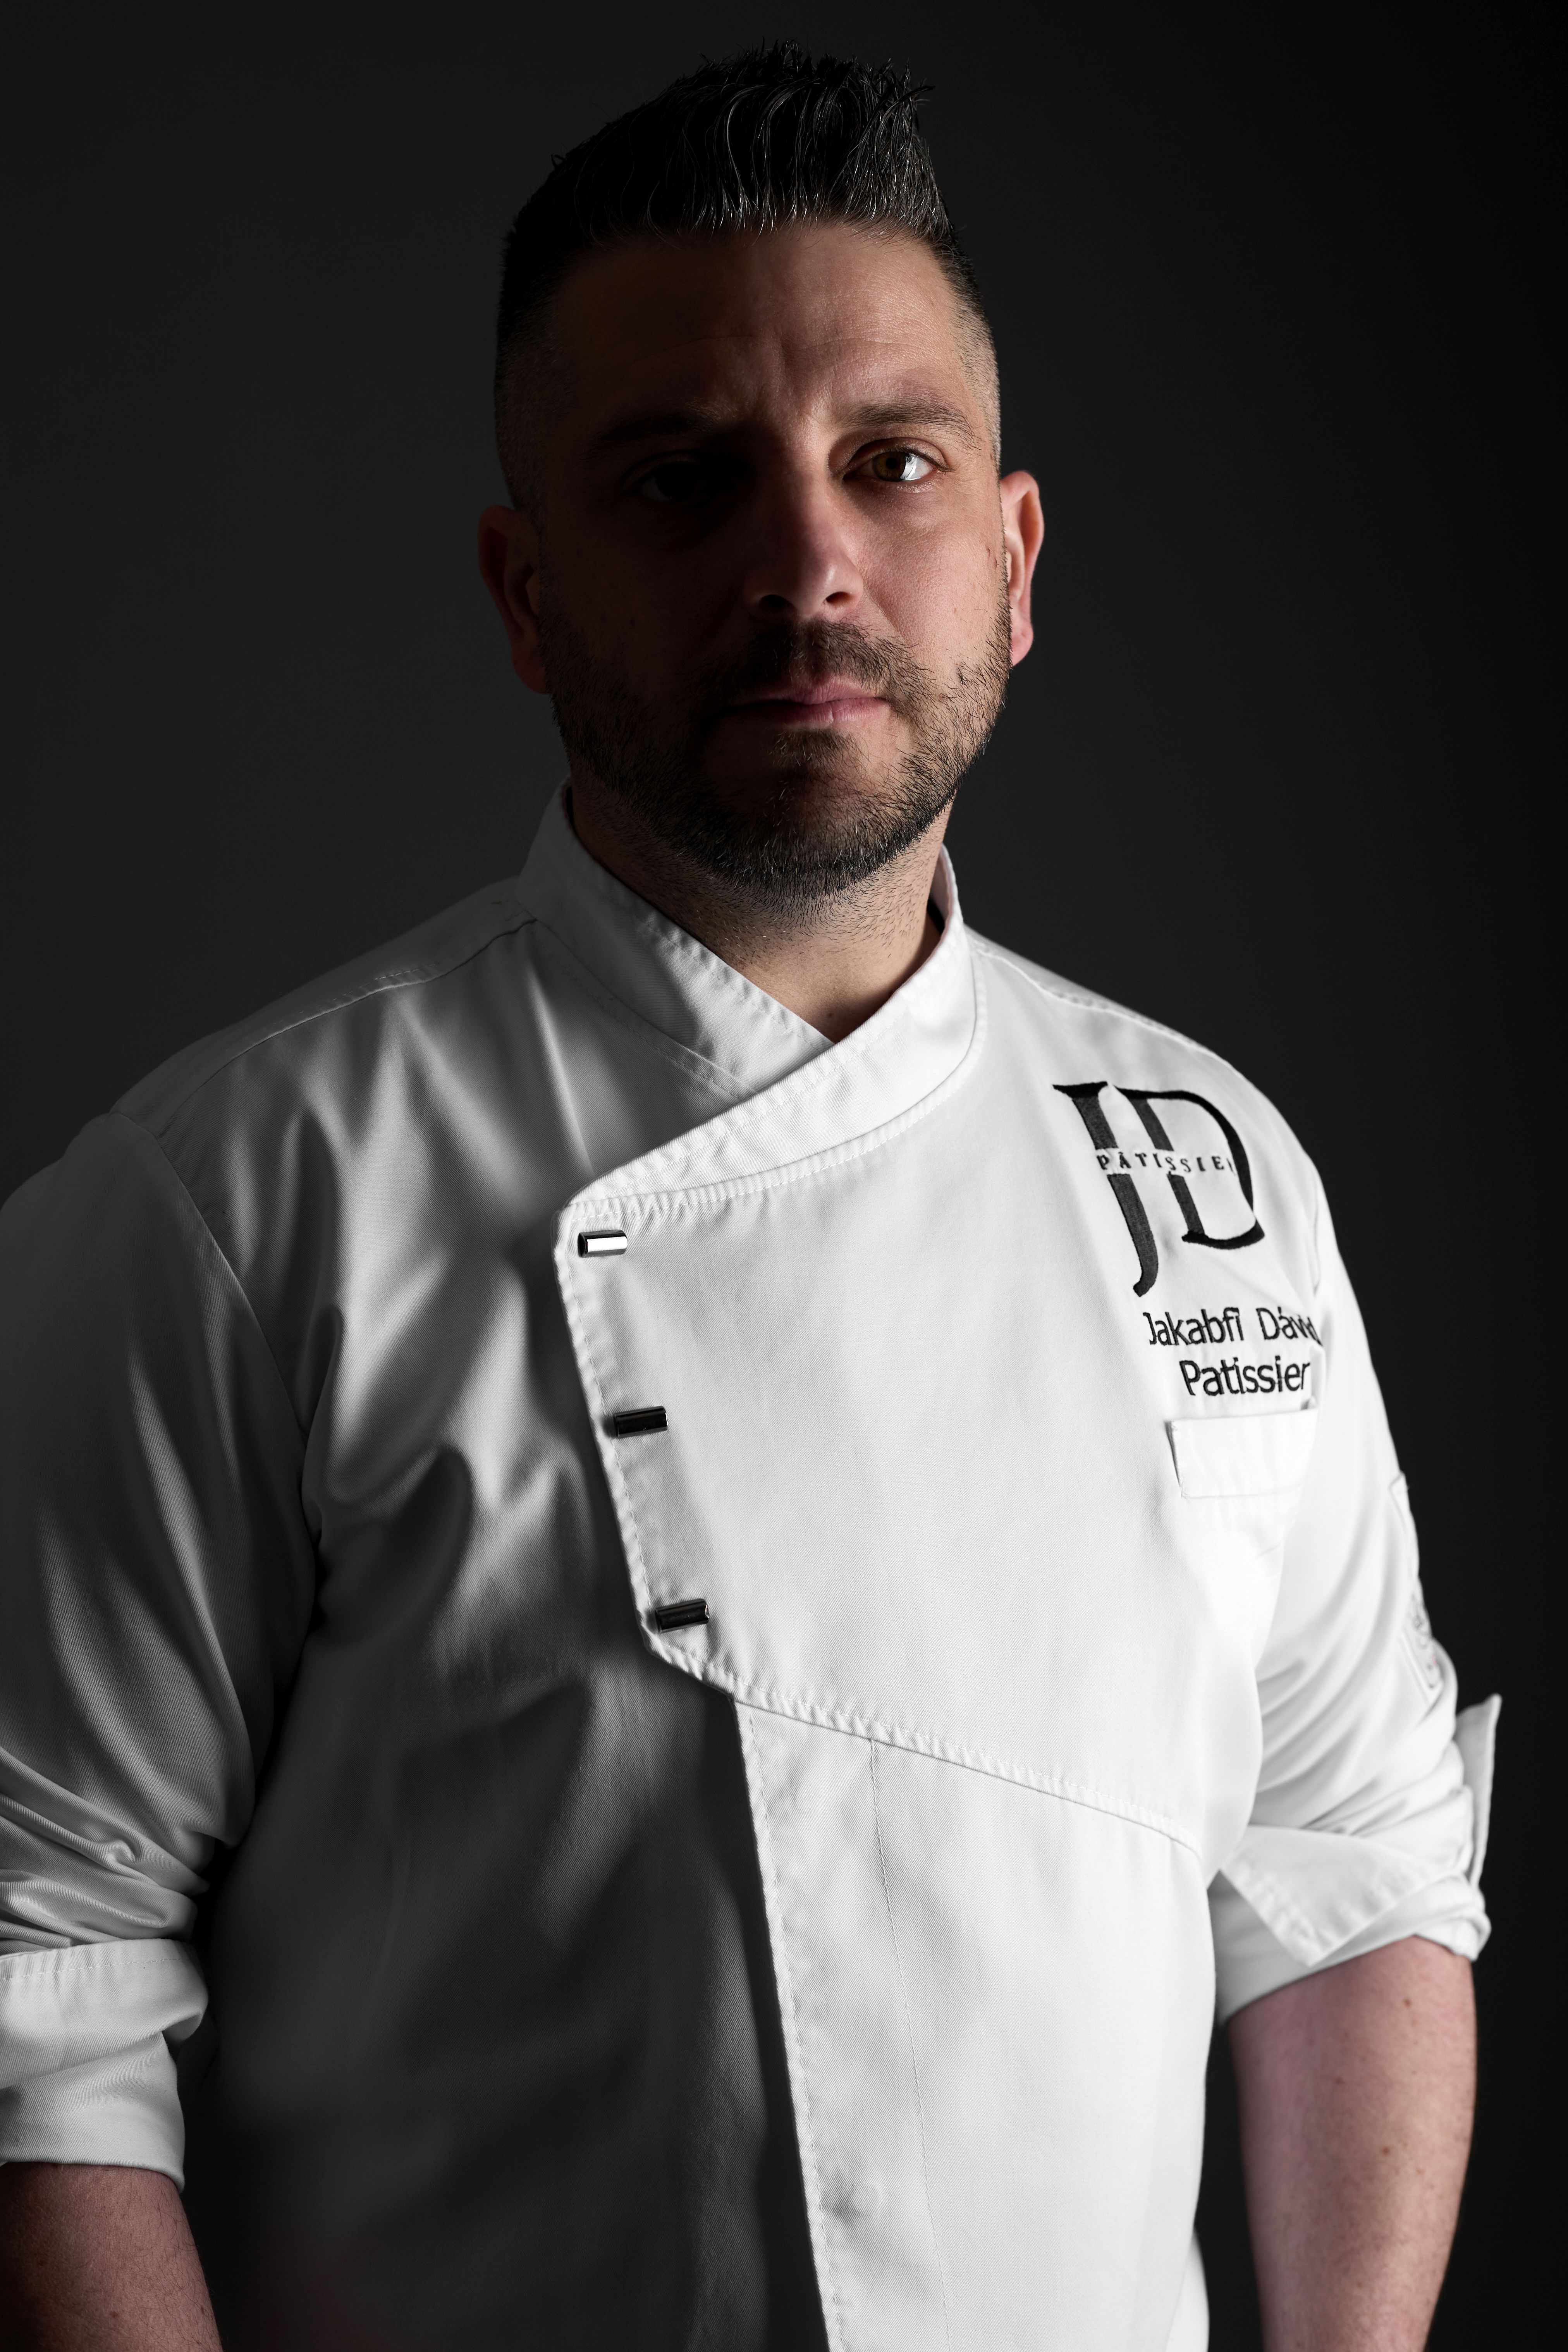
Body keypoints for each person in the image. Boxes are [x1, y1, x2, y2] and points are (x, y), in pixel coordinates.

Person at [0, 45, 1495, 2352]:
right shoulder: (230, 1205)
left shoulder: (1215, 1172)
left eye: (890, 462)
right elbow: (36, 1992)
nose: (804, 566)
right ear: (525, 593)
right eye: (681, 481)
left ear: (1012, 561)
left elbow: (1353, 1863)